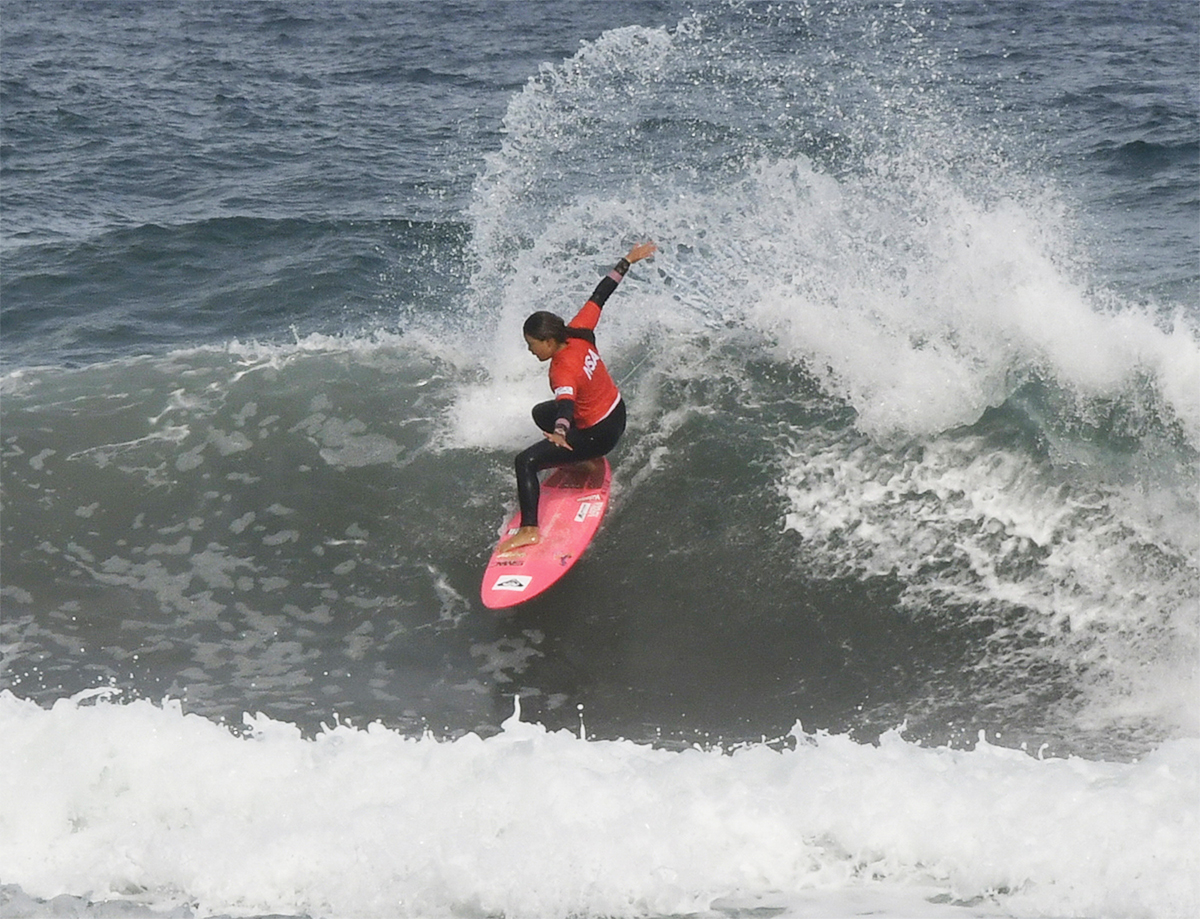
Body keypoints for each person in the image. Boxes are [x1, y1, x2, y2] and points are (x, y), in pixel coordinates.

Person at [497, 240, 658, 555]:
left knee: (525, 461)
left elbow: (567, 404)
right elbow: (601, 294)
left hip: (600, 434)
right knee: (540, 412)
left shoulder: (562, 370)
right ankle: (584, 461)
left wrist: (560, 432)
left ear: (547, 341)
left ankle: (529, 530)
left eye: (532, 344)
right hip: (615, 412)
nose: (530, 351)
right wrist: (627, 260)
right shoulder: (577, 329)